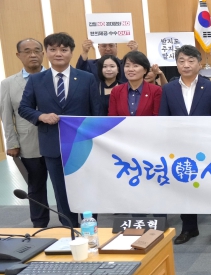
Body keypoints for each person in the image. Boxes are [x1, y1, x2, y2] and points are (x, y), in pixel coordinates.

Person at [19, 33, 102, 228]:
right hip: (52, 145)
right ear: (46, 52)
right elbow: (24, 108)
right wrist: (41, 116)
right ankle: (69, 228)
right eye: (53, 49)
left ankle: (90, 227)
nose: (58, 53)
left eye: (64, 50)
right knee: (61, 191)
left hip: (83, 145)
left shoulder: (87, 78)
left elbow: (97, 112)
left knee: (87, 188)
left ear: (71, 52)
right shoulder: (36, 80)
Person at [159, 45, 211, 245]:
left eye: (191, 61)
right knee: (185, 188)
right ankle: (189, 228)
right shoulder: (168, 89)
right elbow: (163, 120)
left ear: (199, 64)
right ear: (176, 64)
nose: (186, 65)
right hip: (180, 148)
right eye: (181, 61)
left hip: (207, 148)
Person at [1, 38, 49, 227]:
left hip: (57, 141)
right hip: (28, 143)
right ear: (18, 55)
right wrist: (12, 143)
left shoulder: (54, 78)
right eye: (27, 51)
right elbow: (6, 116)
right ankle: (39, 225)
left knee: (63, 185)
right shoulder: (8, 84)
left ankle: (68, 221)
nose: (33, 55)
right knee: (35, 186)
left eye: (37, 50)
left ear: (43, 53)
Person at [108, 51, 162, 116]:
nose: (130, 69)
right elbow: (112, 117)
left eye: (135, 66)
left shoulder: (156, 90)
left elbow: (157, 117)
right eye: (127, 66)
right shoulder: (116, 91)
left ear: (145, 70)